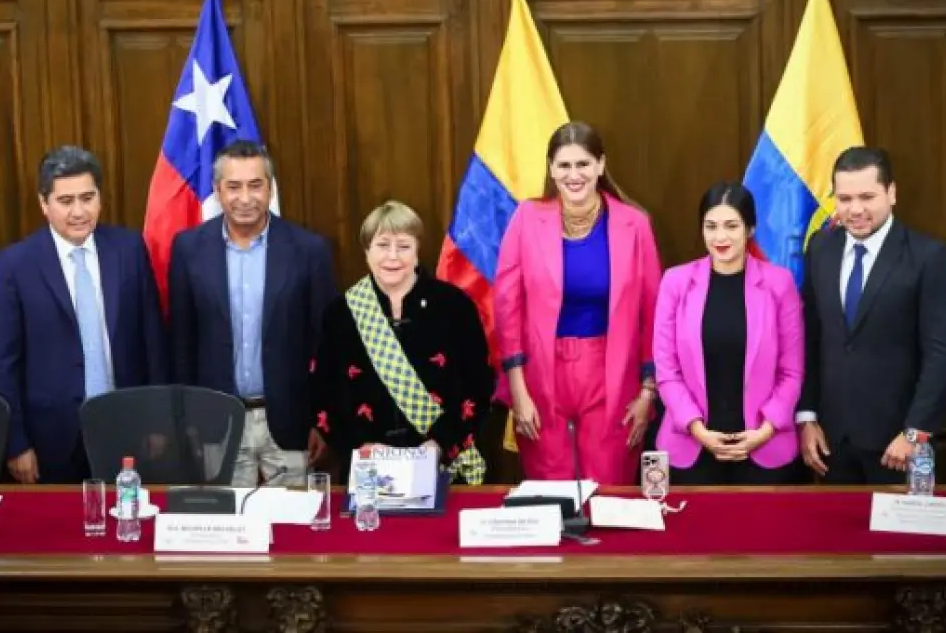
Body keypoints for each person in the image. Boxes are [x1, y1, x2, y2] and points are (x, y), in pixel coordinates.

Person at [0, 146, 167, 484]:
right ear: (44, 204)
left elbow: (152, 340)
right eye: (65, 201)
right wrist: (16, 443)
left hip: (126, 426)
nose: (79, 211)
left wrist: (156, 421)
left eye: (87, 197)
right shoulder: (15, 265)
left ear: (100, 198)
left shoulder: (128, 250)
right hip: (50, 438)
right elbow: (2, 364)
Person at [494, 121, 661, 485]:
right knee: (549, 492)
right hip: (540, 374)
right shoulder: (526, 218)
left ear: (600, 166)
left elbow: (653, 313)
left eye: (583, 164)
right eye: (564, 165)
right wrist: (518, 391)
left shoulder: (635, 224)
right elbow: (507, 308)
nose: (574, 175)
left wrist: (648, 392)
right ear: (551, 169)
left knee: (608, 489)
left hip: (613, 374)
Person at [168, 140, 336, 488]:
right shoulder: (188, 249)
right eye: (234, 186)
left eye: (255, 185)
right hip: (217, 423)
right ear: (217, 191)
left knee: (295, 533)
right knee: (227, 534)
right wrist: (186, 421)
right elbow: (181, 343)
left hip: (291, 423)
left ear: (271, 188)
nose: (245, 198)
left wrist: (322, 420)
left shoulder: (308, 250)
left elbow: (326, 344)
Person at [797, 146, 946, 484]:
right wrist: (807, 416)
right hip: (832, 443)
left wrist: (915, 433)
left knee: (899, 539)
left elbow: (941, 354)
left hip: (899, 444)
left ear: (891, 193)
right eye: (844, 198)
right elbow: (811, 338)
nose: (854, 209)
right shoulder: (820, 248)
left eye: (866, 197)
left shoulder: (928, 257)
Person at [310, 201, 492, 484]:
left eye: (403, 246)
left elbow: (478, 385)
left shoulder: (454, 307)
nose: (392, 256)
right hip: (368, 467)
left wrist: (440, 444)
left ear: (417, 251)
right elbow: (324, 392)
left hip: (441, 465)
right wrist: (361, 447)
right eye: (383, 245)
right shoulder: (340, 314)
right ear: (367, 251)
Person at [652, 182, 804, 485]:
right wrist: (698, 431)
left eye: (731, 226)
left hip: (764, 446)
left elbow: (792, 371)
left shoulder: (779, 283)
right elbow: (667, 371)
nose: (720, 237)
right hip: (691, 445)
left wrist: (764, 431)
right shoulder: (676, 282)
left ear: (750, 229)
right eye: (711, 226)